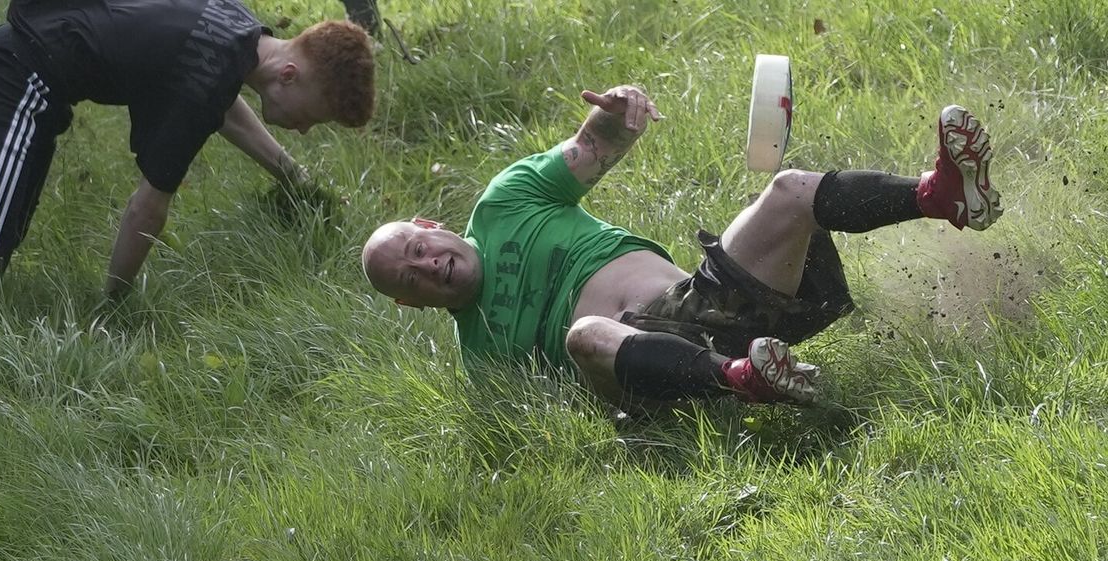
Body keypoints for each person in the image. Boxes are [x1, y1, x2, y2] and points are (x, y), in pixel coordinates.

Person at [362, 84, 1001, 406]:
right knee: (586, 333)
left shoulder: (506, 202)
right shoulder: (481, 358)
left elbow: (596, 145)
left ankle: (941, 197)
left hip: (710, 300)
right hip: (670, 366)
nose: (428, 267)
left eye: (417, 250)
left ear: (430, 225)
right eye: (409, 279)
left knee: (788, 190)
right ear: (409, 305)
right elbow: (571, 406)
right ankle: (748, 378)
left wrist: (622, 104)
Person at [0, 0, 376, 303]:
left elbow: (224, 106)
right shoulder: (203, 85)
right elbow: (145, 212)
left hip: (24, 71)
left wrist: (293, 177)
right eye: (313, 116)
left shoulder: (237, 28)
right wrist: (112, 306)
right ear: (289, 75)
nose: (305, 130)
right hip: (17, 78)